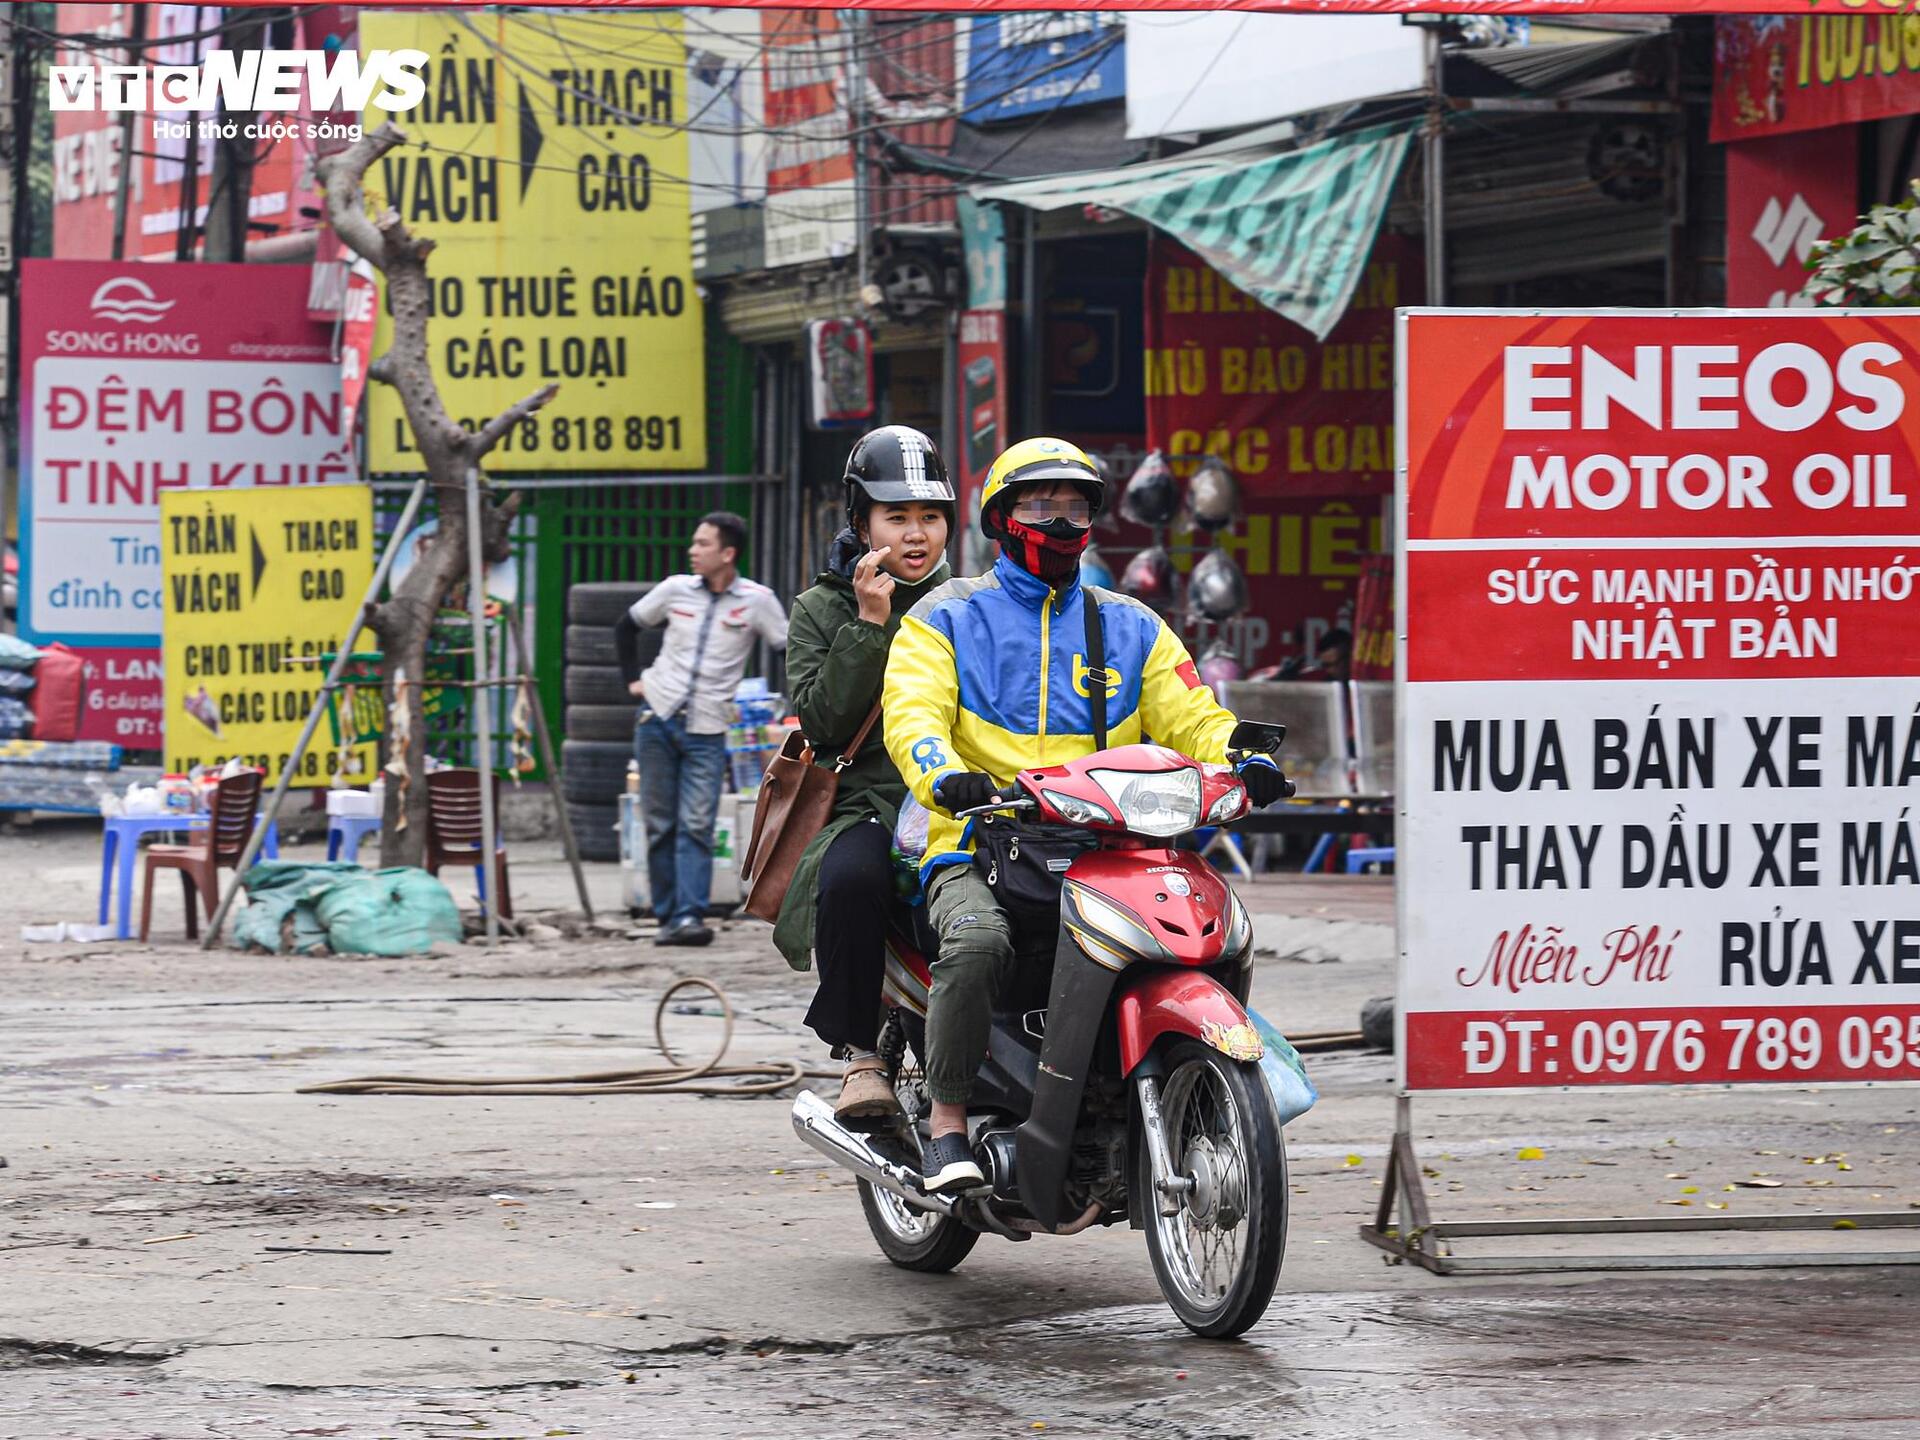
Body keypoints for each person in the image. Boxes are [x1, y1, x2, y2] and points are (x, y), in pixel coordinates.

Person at [882, 438, 1291, 1192]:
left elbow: (1193, 715)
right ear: (1002, 519)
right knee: (977, 945)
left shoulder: (1131, 624)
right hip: (980, 839)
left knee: (1212, 927)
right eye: (1043, 505)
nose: (1062, 520)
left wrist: (1243, 755)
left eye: (1075, 506)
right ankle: (946, 1126)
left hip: (1110, 845)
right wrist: (944, 775)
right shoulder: (947, 616)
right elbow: (913, 717)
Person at [773, 426, 955, 1119]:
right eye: (897, 517)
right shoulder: (821, 609)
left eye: (930, 517)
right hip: (869, 803)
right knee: (851, 880)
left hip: (961, 797)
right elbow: (820, 723)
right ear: (860, 522)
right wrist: (870, 624)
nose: (917, 535)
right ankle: (860, 1056)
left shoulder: (972, 603)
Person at [616, 512, 787, 947]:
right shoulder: (674, 590)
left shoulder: (757, 600)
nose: (693, 551)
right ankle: (667, 917)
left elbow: (788, 648)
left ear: (727, 554)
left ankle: (689, 918)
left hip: (708, 729)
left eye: (703, 544)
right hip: (656, 717)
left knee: (696, 823)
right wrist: (632, 681)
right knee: (659, 824)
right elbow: (627, 626)